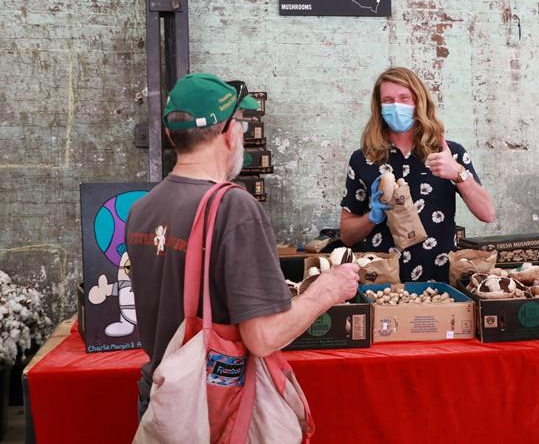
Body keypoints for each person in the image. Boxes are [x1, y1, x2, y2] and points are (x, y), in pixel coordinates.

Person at [126, 73, 359, 419]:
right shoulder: (234, 208)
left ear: (169, 134)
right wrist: (326, 291)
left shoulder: (142, 209)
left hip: (159, 401)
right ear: (228, 133)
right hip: (212, 408)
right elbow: (263, 337)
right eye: (240, 124)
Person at [339, 67, 495, 282]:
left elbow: (487, 214)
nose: (396, 106)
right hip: (382, 282)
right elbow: (347, 235)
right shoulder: (363, 158)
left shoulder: (449, 153)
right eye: (388, 100)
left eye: (404, 98)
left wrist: (457, 173)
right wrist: (372, 216)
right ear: (379, 107)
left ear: (418, 102)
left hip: (438, 281)